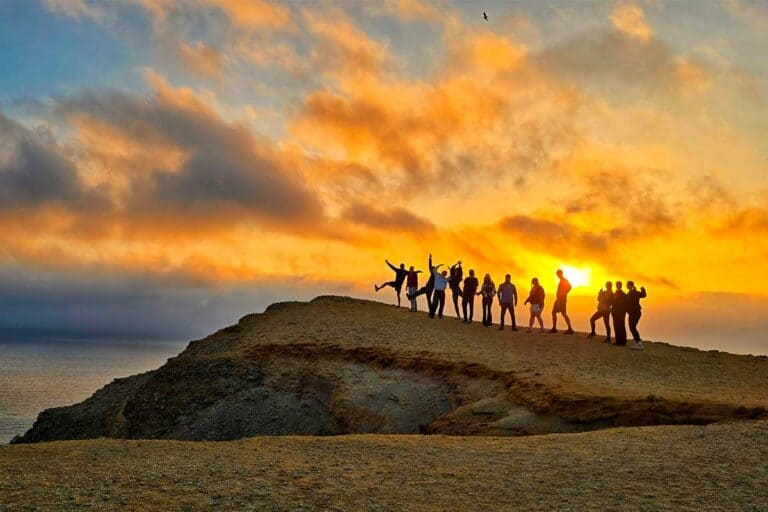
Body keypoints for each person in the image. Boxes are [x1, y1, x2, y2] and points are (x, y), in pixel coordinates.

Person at [549, 269, 574, 334]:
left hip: (561, 300)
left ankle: (569, 329)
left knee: (562, 313)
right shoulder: (561, 280)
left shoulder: (564, 280)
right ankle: (555, 328)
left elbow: (570, 287)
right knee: (557, 313)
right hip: (559, 299)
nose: (557, 275)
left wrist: (564, 293)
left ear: (560, 274)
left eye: (558, 274)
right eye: (557, 274)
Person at [626, 281, 647, 350]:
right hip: (632, 313)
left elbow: (643, 295)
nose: (627, 286)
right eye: (627, 285)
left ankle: (639, 343)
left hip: (636, 312)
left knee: (632, 327)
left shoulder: (634, 292)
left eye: (628, 285)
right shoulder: (630, 293)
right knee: (632, 327)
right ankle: (638, 342)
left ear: (631, 285)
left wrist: (643, 289)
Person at [611, 281, 628, 346]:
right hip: (615, 312)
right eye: (617, 285)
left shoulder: (622, 294)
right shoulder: (617, 293)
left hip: (620, 312)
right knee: (617, 326)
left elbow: (622, 303)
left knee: (620, 326)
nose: (617, 286)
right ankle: (619, 341)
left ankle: (621, 341)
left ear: (620, 286)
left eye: (618, 285)